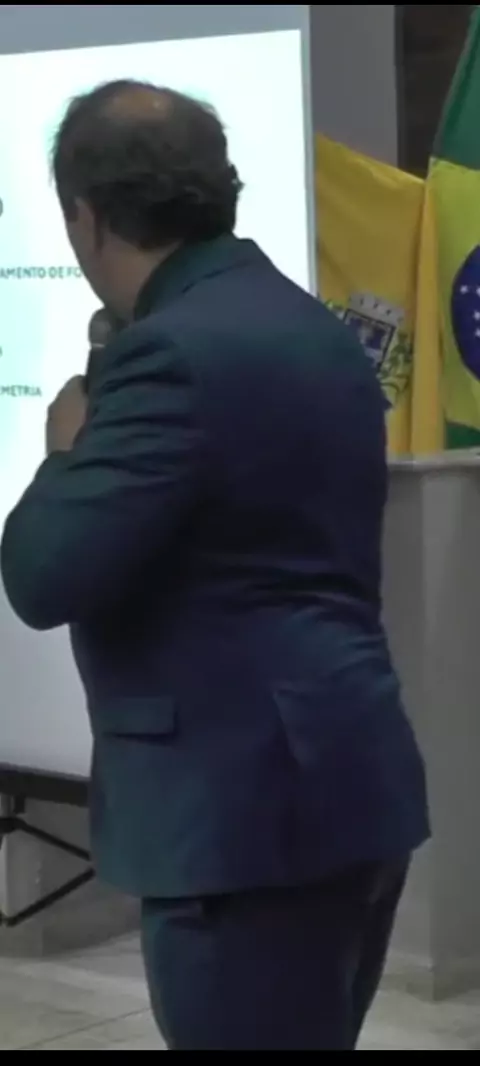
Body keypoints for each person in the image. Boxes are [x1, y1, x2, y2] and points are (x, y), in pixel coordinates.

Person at [0, 80, 429, 1050]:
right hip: (346, 781)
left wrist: (65, 450)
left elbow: (43, 575)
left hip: (243, 820)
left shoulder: (168, 355)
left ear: (85, 216)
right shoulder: (310, 325)